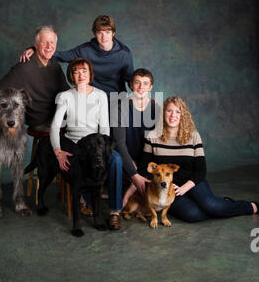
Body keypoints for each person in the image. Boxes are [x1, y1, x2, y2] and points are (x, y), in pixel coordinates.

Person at [137, 96, 258, 222]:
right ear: (163, 113)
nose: (173, 115)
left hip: (192, 181)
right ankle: (222, 206)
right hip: (167, 188)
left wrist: (184, 188)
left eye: (178, 112)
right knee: (192, 215)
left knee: (212, 206)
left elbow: (201, 170)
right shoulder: (153, 136)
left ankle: (250, 206)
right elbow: (143, 167)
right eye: (169, 111)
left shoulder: (193, 136)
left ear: (183, 115)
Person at [49, 57, 124, 230]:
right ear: (71, 76)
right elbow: (55, 125)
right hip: (75, 143)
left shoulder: (100, 95)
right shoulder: (65, 96)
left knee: (116, 160)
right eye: (76, 72)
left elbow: (104, 126)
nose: (80, 75)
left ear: (90, 73)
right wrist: (57, 150)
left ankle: (114, 211)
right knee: (83, 163)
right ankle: (85, 200)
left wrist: (104, 150)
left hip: (97, 142)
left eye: (84, 71)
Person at [19, 15, 134, 99]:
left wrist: (142, 96)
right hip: (91, 98)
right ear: (95, 33)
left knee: (119, 130)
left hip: (116, 100)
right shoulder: (85, 50)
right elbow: (61, 56)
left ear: (113, 33)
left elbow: (131, 80)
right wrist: (35, 49)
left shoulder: (124, 54)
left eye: (107, 32)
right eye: (100, 32)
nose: (104, 37)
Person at [0, 25, 69, 132]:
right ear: (36, 45)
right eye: (44, 42)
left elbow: (66, 90)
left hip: (57, 116)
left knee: (85, 124)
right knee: (73, 132)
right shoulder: (24, 68)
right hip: (41, 121)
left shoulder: (54, 63)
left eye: (52, 42)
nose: (49, 46)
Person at [111, 68, 162, 216]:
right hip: (128, 157)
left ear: (151, 87)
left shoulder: (155, 108)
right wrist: (134, 173)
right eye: (137, 83)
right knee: (117, 159)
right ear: (131, 85)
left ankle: (129, 192)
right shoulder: (120, 107)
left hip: (147, 160)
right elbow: (119, 143)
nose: (141, 87)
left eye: (145, 84)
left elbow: (158, 141)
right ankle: (127, 193)